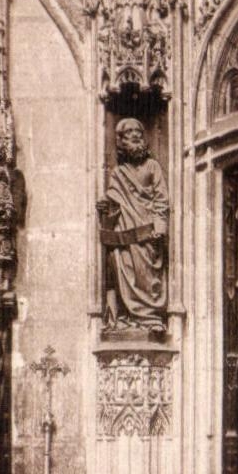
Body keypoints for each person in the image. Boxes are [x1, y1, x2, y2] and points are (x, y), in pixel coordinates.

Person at [97, 118, 169, 333]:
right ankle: (129, 317)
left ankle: (151, 318)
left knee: (148, 277)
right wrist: (105, 204)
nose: (135, 135)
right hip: (125, 236)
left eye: (138, 131)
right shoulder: (118, 172)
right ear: (121, 141)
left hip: (148, 234)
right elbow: (114, 199)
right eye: (129, 133)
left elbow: (161, 199)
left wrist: (160, 227)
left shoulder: (153, 166)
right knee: (127, 274)